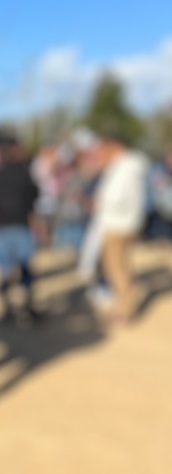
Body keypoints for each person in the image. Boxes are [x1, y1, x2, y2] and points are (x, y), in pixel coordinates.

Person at [87, 129, 149, 326]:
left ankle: (124, 310)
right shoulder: (129, 165)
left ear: (115, 146)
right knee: (119, 267)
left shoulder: (124, 166)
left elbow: (117, 196)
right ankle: (123, 306)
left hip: (117, 224)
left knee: (116, 268)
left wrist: (98, 201)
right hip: (123, 222)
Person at [0, 137, 40, 327]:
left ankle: (7, 306)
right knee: (25, 269)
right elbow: (35, 196)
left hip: (0, 229)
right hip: (21, 226)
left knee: (4, 271)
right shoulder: (25, 174)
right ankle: (26, 305)